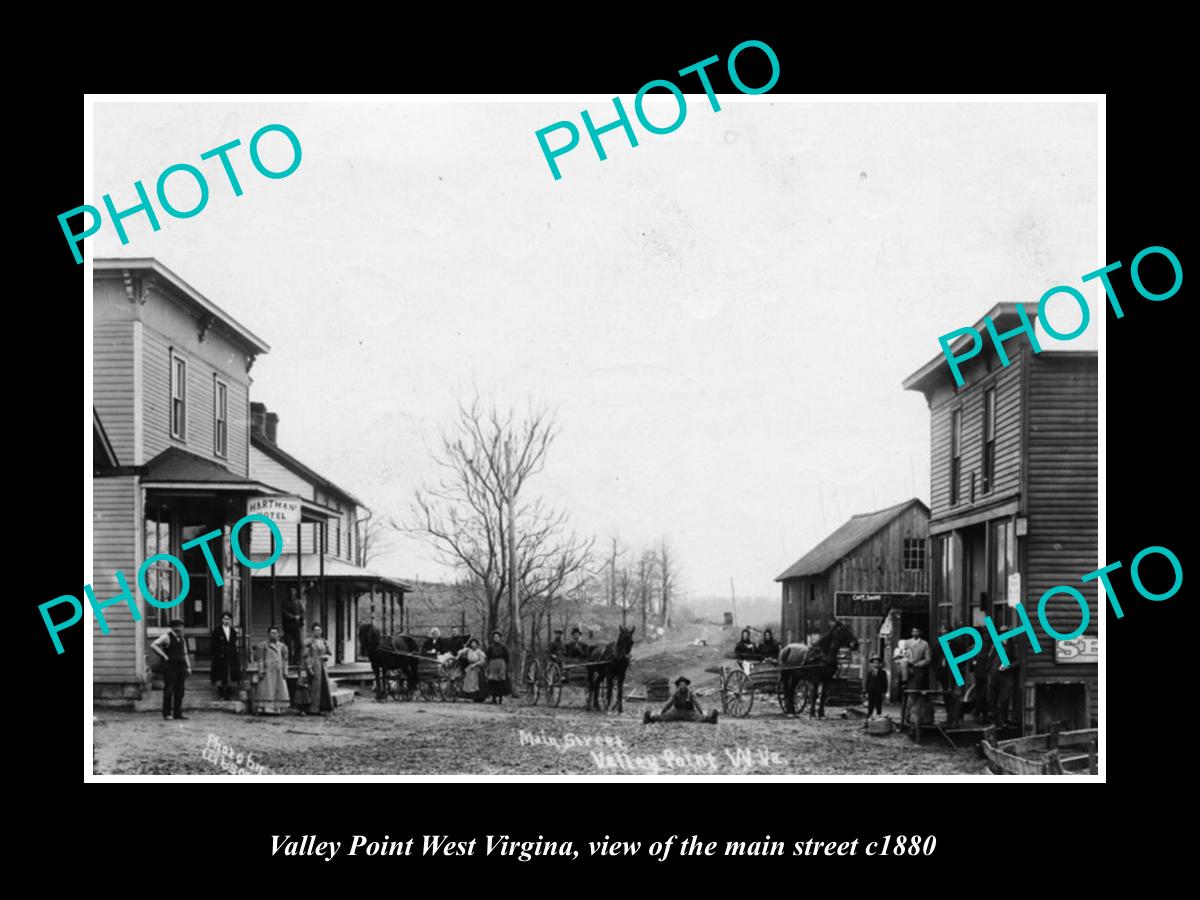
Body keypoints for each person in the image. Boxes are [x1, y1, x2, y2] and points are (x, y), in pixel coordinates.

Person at [151, 619, 191, 720]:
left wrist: (188, 666)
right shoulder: (167, 636)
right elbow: (153, 645)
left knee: (180, 691)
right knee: (169, 690)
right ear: (172, 627)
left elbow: (185, 653)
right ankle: (167, 713)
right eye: (176, 626)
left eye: (180, 626)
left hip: (181, 666)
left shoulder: (182, 638)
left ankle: (178, 713)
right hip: (170, 667)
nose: (178, 628)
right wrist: (164, 655)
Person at [642, 677, 718, 724]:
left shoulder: (690, 693)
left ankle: (712, 718)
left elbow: (697, 703)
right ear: (678, 686)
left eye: (684, 685)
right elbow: (669, 703)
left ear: (686, 685)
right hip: (676, 711)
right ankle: (649, 718)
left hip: (688, 712)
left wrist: (701, 712)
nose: (683, 686)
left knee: (698, 718)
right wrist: (662, 711)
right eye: (681, 685)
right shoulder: (675, 694)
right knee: (664, 717)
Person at [256, 626, 290, 716]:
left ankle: (278, 709)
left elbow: (285, 660)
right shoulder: (263, 645)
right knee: (267, 690)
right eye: (271, 633)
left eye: (275, 633)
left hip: (278, 670)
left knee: (280, 690)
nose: (273, 635)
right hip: (268, 671)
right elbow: (260, 659)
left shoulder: (282, 646)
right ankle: (266, 708)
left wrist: (285, 671)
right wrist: (261, 671)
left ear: (278, 635)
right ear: (268, 634)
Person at [302, 625, 334, 715]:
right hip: (313, 664)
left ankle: (322, 707)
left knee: (323, 686)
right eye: (315, 630)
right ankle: (311, 708)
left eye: (319, 630)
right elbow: (305, 655)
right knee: (312, 686)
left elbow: (329, 653)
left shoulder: (324, 641)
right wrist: (309, 666)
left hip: (322, 666)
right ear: (312, 631)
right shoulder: (308, 642)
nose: (317, 632)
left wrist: (326, 657)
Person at [210, 611, 240, 701]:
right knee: (220, 675)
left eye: (228, 619)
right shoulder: (217, 630)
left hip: (230, 656)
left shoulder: (233, 631)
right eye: (225, 619)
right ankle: (221, 694)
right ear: (222, 620)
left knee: (230, 675)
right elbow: (213, 644)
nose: (226, 621)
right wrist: (216, 654)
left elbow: (233, 645)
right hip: (220, 656)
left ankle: (229, 694)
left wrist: (234, 654)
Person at [485, 630, 509, 704]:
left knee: (501, 681)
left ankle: (501, 698)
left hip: (501, 663)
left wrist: (505, 664)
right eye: (494, 637)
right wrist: (488, 665)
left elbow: (507, 657)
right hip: (493, 663)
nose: (496, 638)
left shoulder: (503, 646)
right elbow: (488, 656)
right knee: (493, 681)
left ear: (500, 638)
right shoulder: (491, 647)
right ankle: (493, 698)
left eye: (497, 637)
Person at [282, 588, 306, 663]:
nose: (292, 595)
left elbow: (303, 612)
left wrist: (300, 617)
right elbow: (284, 612)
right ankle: (289, 659)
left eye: (293, 593)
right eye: (290, 593)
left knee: (298, 643)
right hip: (288, 626)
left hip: (297, 625)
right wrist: (292, 617)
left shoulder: (299, 602)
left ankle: (297, 659)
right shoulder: (285, 602)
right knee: (288, 643)